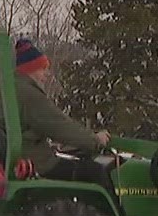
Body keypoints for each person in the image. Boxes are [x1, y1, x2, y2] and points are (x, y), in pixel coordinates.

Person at [10, 37, 115, 192]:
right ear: (30, 69)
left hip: (22, 157)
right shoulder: (29, 95)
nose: (47, 74)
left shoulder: (8, 91)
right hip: (37, 162)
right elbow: (60, 126)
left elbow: (30, 128)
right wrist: (95, 140)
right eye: (43, 69)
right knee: (96, 172)